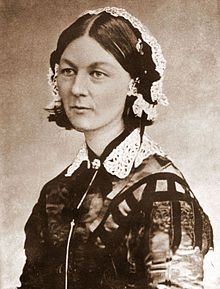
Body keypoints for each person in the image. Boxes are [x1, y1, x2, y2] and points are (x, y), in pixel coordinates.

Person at [18, 7, 213, 289]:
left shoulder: (162, 192)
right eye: (68, 71)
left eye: (97, 73)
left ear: (134, 83)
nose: (77, 88)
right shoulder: (56, 192)